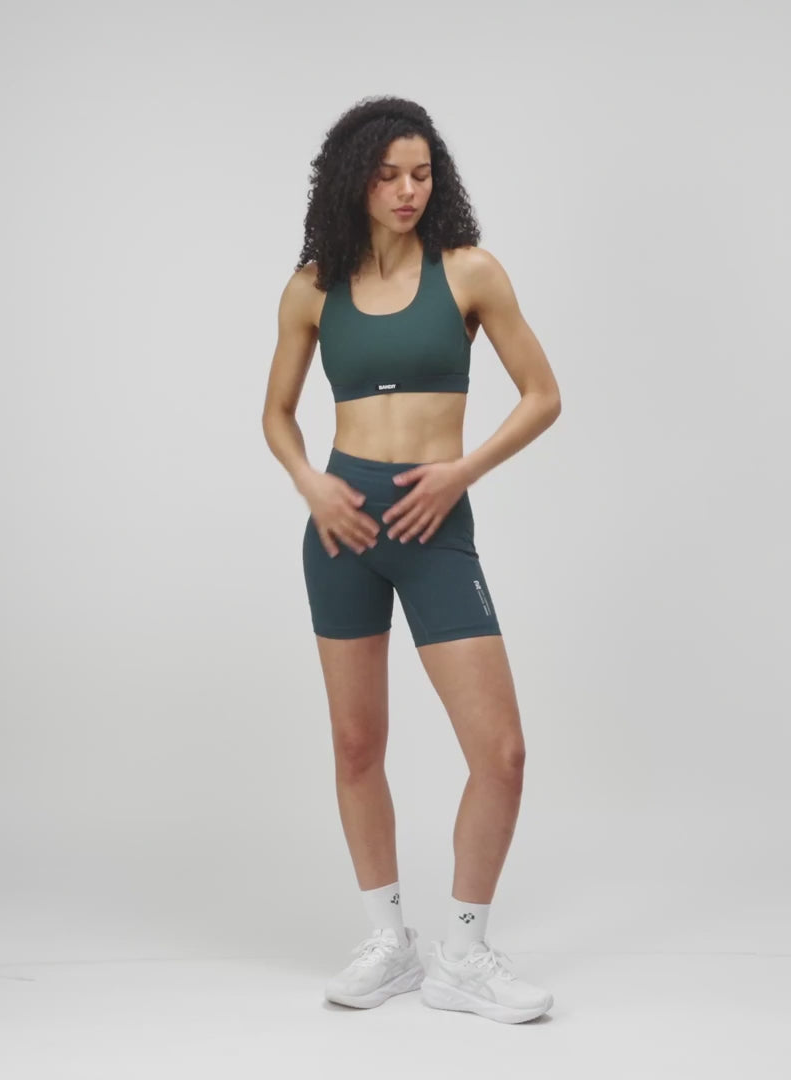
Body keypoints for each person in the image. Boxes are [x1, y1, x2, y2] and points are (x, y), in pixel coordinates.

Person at [261, 96, 562, 1024]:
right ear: (355, 181)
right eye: (389, 175)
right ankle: (389, 943)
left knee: (501, 752)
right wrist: (311, 484)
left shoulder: (469, 272)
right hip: (342, 529)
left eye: (422, 173)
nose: (407, 190)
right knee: (357, 745)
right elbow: (276, 414)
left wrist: (461, 472)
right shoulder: (312, 288)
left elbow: (543, 395)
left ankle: (463, 955)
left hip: (436, 528)